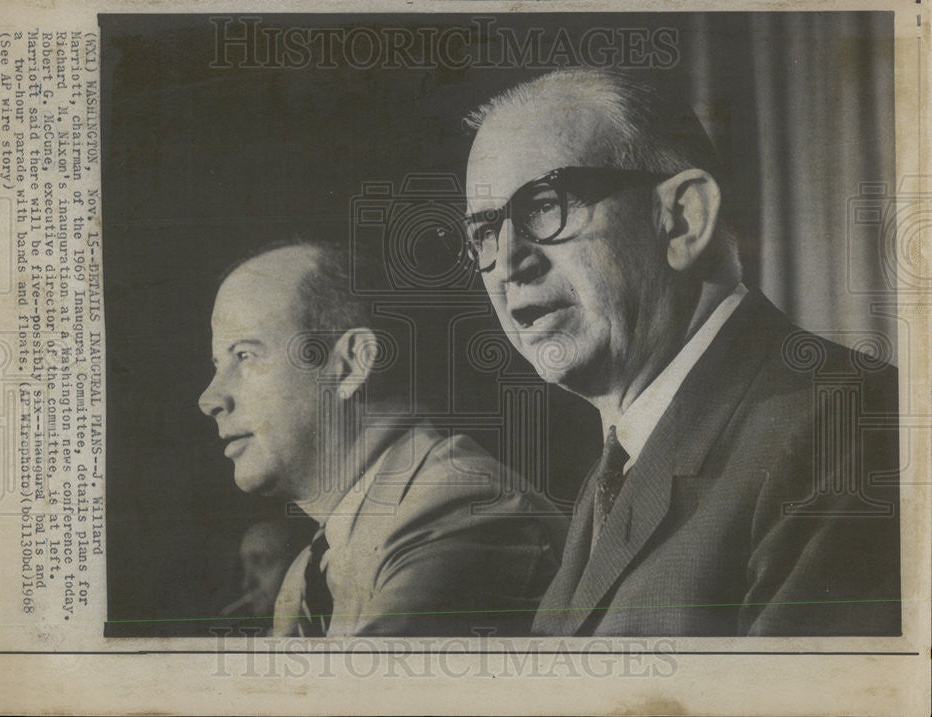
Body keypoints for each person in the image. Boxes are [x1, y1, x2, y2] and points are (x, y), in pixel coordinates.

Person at [460, 69, 900, 636]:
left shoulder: (848, 425)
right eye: (483, 233)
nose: (509, 263)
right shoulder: (615, 470)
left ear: (683, 220)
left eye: (545, 207)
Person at [198, 236, 566, 637]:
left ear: (352, 362)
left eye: (245, 356)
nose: (210, 398)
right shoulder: (310, 570)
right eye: (218, 365)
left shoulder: (461, 511)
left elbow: (364, 699)